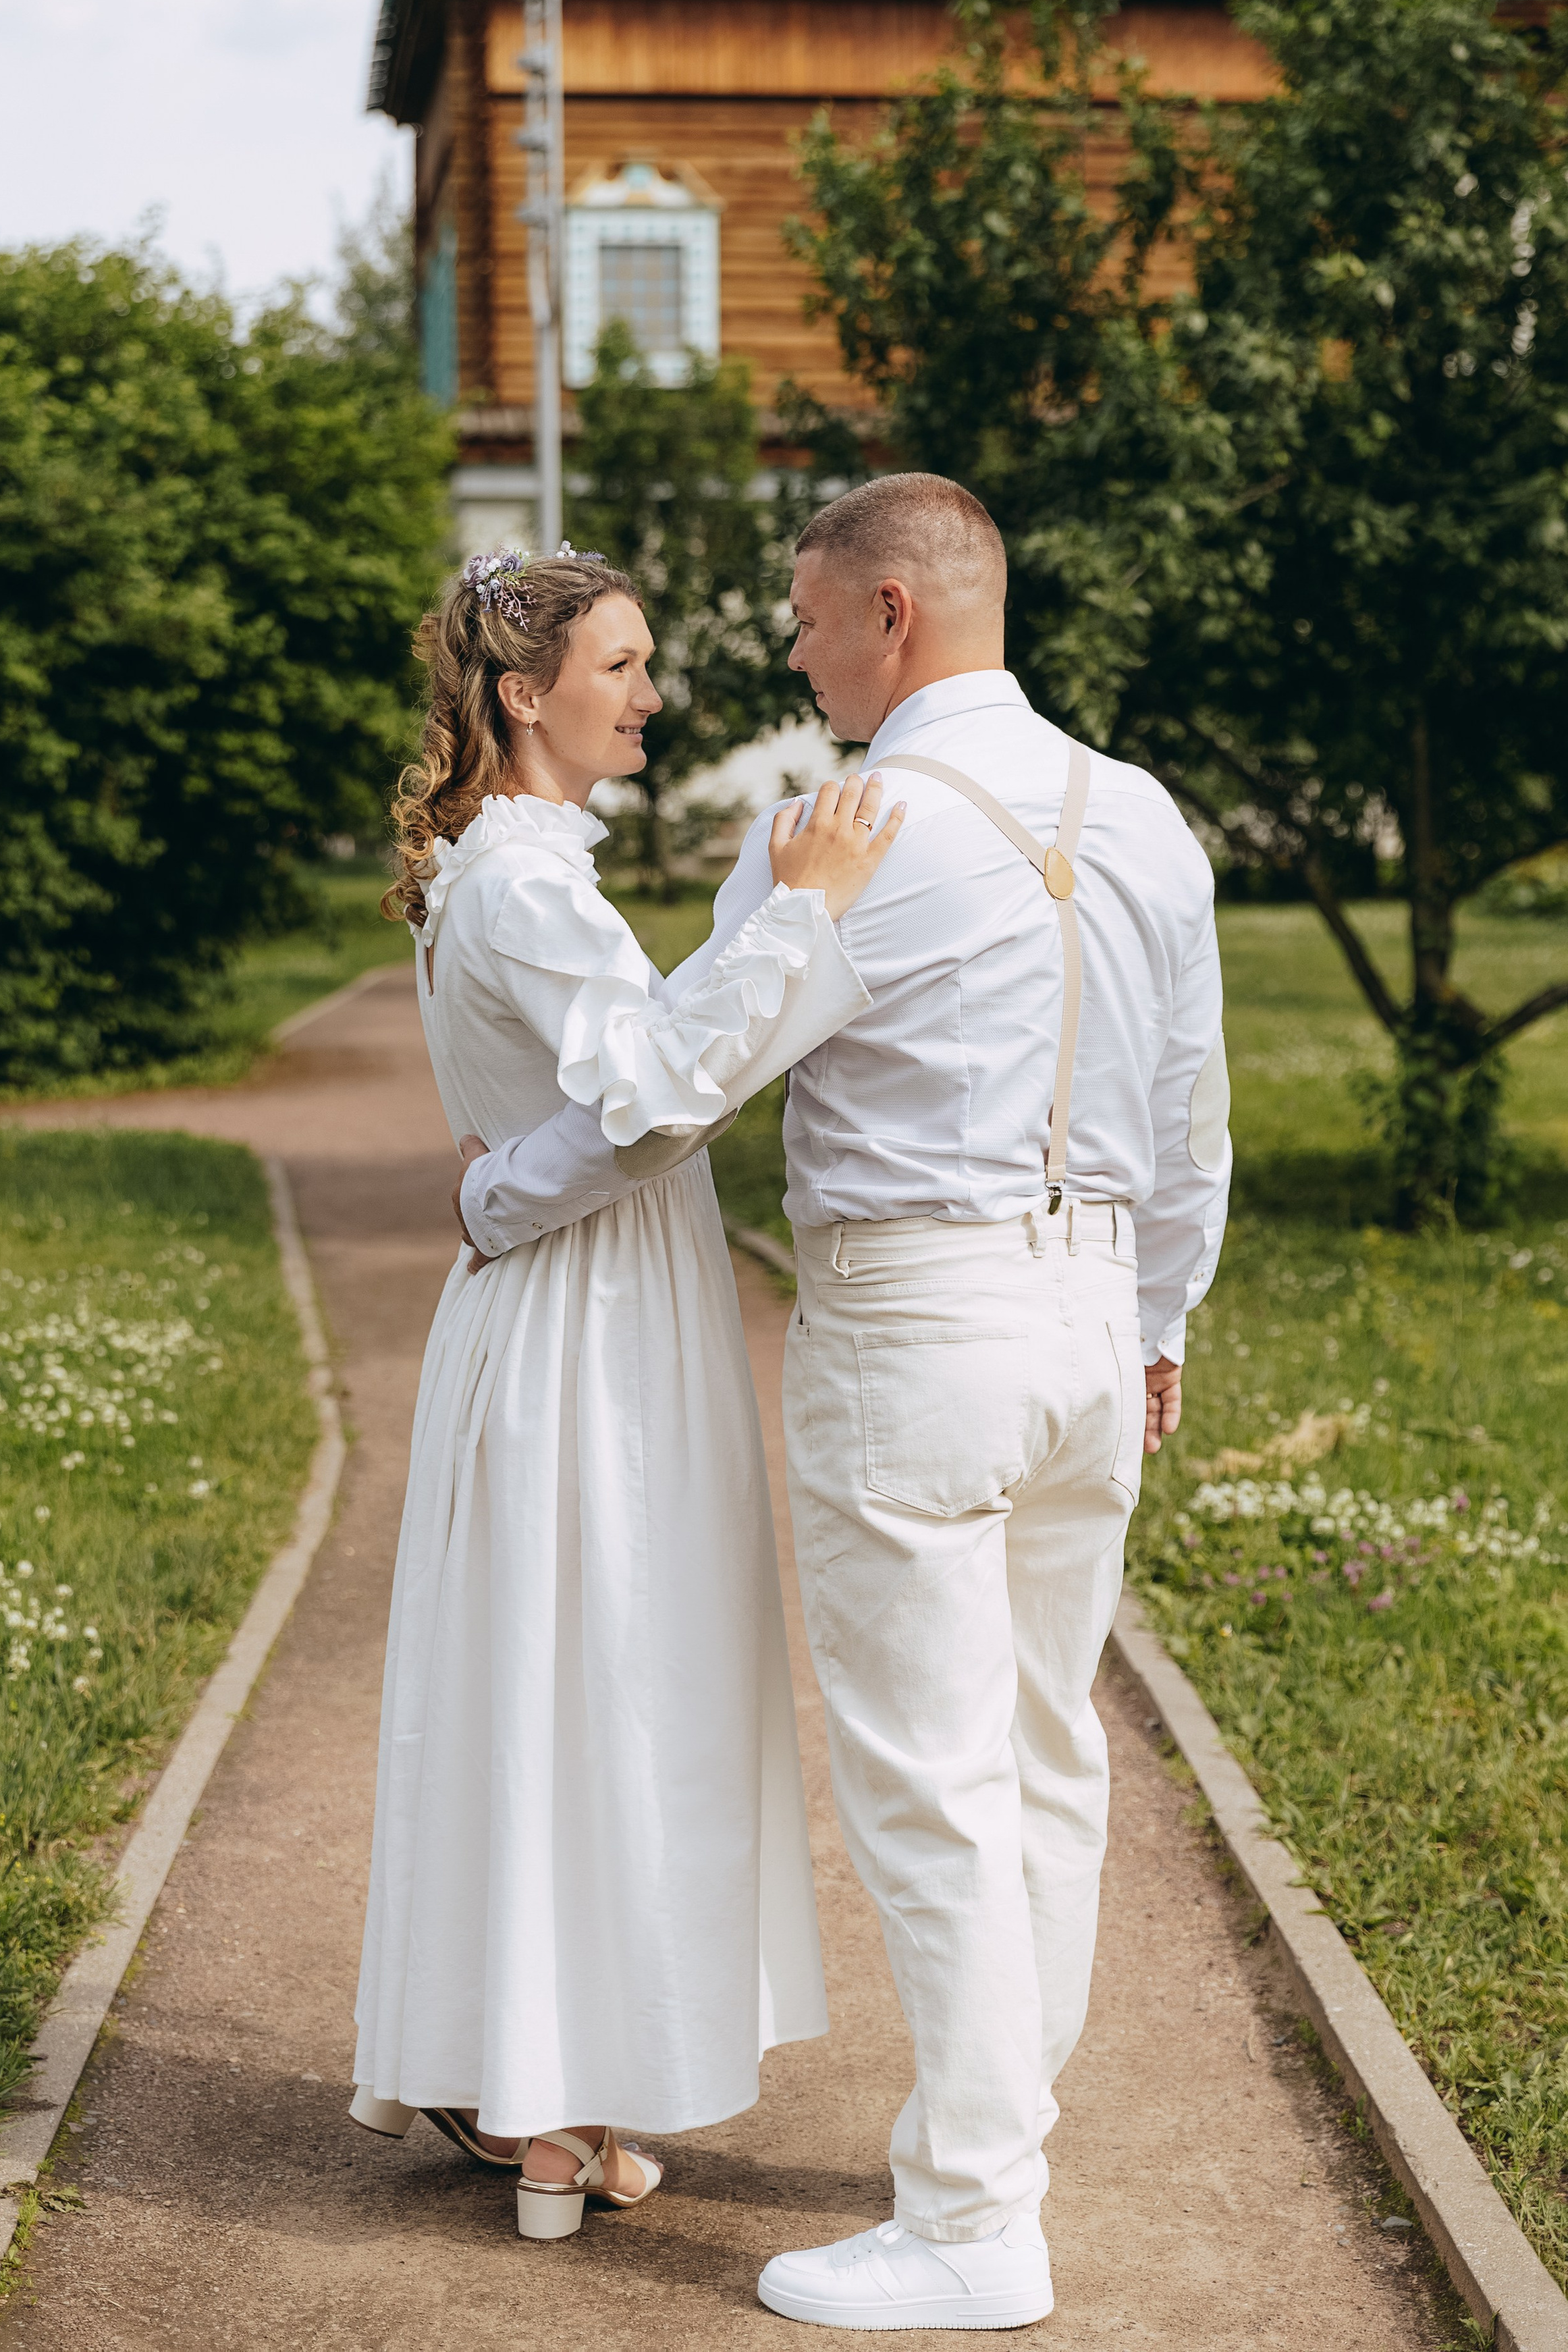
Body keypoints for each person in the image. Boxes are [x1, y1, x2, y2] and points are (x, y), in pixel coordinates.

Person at [454, 475, 1232, 2326]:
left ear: (892, 610)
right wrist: (1158, 1315)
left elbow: (672, 1082)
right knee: (1050, 1749)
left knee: (929, 1785)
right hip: (1092, 1320)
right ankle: (1003, 2128)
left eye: (806, 620)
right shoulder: (1139, 815)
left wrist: (494, 1188)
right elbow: (1196, 1112)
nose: (790, 658)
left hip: (917, 1326)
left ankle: (973, 2221)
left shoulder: (840, 829)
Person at [349, 545, 904, 2243]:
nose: (652, 692)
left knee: (592, 1674)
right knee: (593, 1678)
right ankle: (546, 2108)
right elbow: (659, 1096)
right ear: (526, 693)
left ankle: (565, 2095)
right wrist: (803, 911)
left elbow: (611, 1085)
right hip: (590, 1324)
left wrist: (492, 1192)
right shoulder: (520, 880)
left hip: (590, 1298)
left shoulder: (510, 867)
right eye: (624, 662)